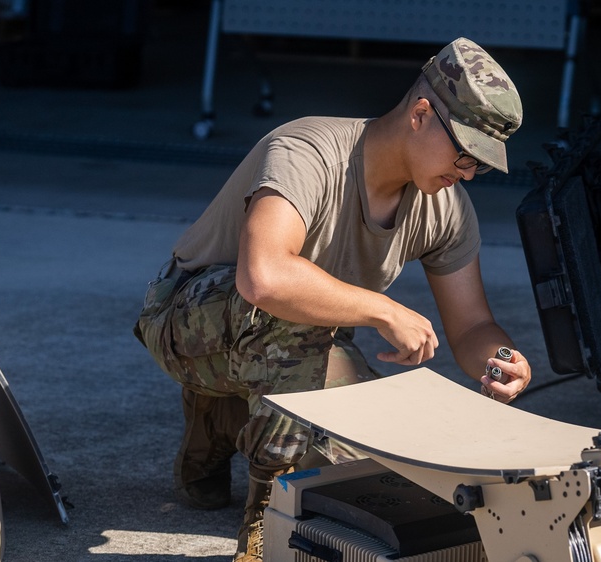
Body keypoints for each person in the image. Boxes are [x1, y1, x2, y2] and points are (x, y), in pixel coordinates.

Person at [133, 37, 532, 562]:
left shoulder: (445, 208)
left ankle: (224, 419)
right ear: (420, 115)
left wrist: (501, 361)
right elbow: (266, 278)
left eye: (479, 165)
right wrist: (385, 309)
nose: (467, 172)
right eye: (464, 154)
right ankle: (265, 534)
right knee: (294, 323)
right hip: (186, 319)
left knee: (369, 467)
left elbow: (472, 325)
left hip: (295, 343)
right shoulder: (309, 152)